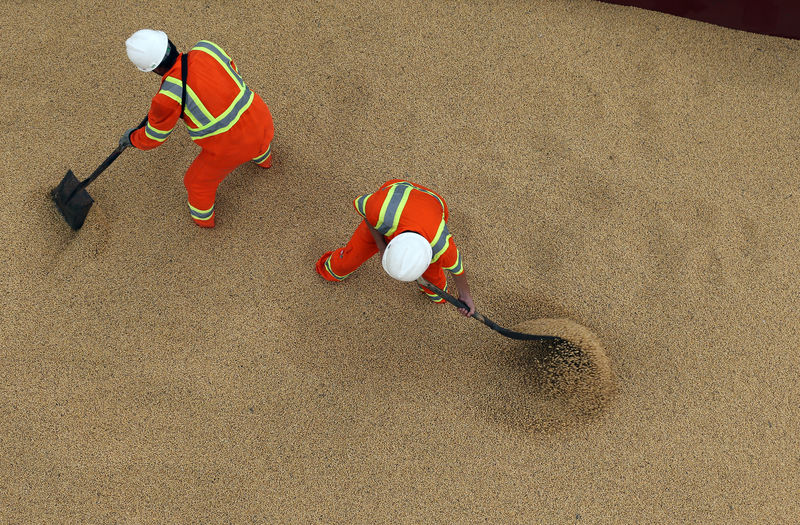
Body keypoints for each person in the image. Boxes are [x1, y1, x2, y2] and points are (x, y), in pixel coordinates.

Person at [122, 29, 274, 228]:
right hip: (261, 117)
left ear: (153, 69)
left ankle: (204, 222)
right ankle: (265, 161)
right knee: (259, 141)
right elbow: (232, 70)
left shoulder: (166, 97)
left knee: (196, 183)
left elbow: (154, 137)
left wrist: (132, 139)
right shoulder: (207, 48)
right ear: (170, 42)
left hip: (232, 148)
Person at [316, 179, 476, 316]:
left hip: (433, 203)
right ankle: (330, 268)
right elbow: (365, 212)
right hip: (395, 199)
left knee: (438, 293)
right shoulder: (379, 209)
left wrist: (465, 295)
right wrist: (381, 246)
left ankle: (433, 292)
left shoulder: (442, 246)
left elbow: (457, 269)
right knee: (342, 265)